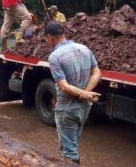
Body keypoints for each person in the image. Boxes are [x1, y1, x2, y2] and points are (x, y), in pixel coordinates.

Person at [45, 21, 101, 164]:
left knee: (69, 153)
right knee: (74, 143)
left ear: (50, 37)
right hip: (84, 107)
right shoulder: (84, 48)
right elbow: (97, 72)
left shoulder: (55, 56)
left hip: (67, 109)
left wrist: (84, 93)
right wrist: (86, 93)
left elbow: (64, 86)